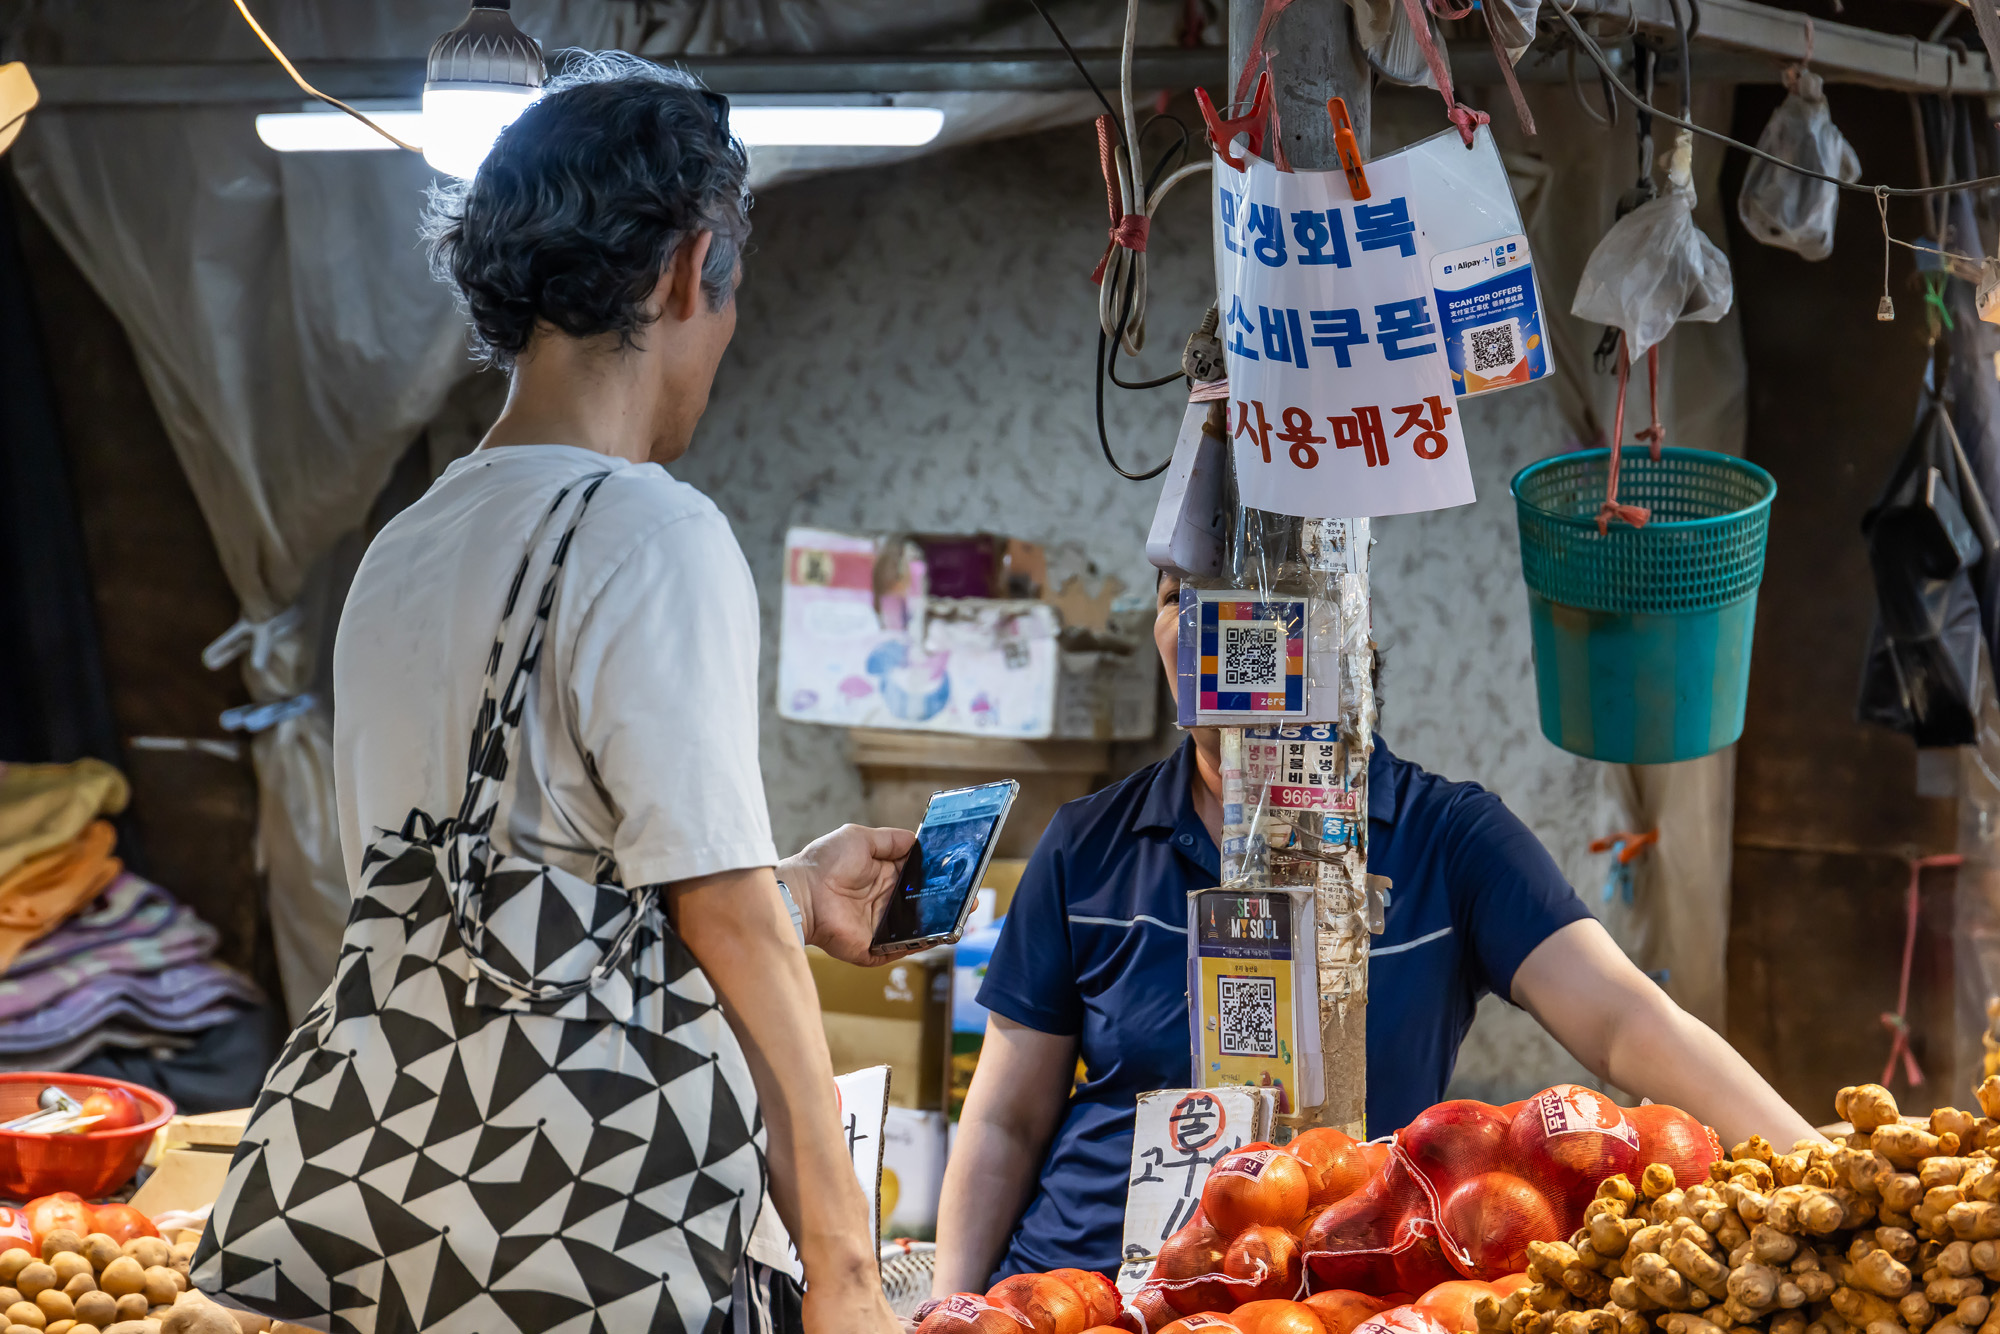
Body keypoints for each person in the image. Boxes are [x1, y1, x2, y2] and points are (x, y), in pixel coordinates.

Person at [333, 58, 900, 1333]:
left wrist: (792, 885)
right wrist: (846, 1272)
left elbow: (509, 887)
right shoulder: (646, 527)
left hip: (418, 1228)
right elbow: (722, 924)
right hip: (603, 1242)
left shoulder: (402, 548)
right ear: (693, 268)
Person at [932, 569, 1816, 1293]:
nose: (1210, 623)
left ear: (1345, 639)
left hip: (1332, 1289)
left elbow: (1629, 1022)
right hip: (1080, 1291)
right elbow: (1007, 1119)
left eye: (1252, 590)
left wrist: (1823, 1169)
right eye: (1177, 594)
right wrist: (952, 1306)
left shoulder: (1450, 838)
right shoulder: (1088, 844)